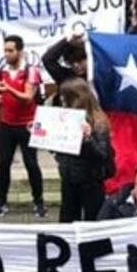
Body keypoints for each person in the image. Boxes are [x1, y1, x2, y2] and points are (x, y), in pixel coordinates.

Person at [0, 35, 45, 219]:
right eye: (5, 50)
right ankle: (0, 202)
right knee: (3, 164)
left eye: (10, 51)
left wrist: (9, 90)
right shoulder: (1, 71)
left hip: (27, 125)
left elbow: (28, 96)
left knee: (31, 164)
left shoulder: (31, 71)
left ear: (20, 52)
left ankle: (38, 202)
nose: (6, 54)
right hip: (7, 124)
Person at [55, 78, 111, 222]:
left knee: (92, 220)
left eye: (65, 101)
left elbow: (102, 155)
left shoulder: (97, 122)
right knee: (67, 219)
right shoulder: (65, 120)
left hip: (90, 182)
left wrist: (88, 139)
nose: (63, 105)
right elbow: (59, 151)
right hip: (69, 179)